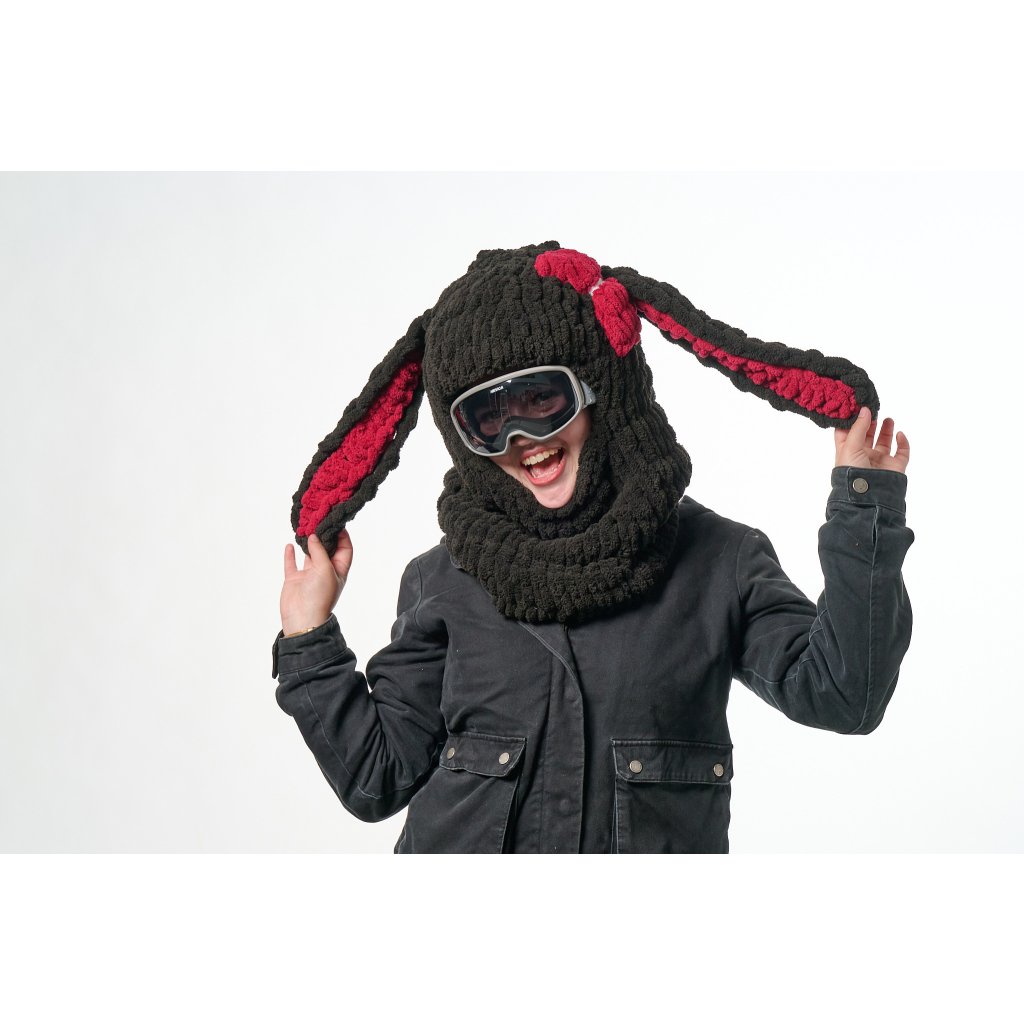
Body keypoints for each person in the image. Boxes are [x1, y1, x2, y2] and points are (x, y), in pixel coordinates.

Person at [272, 242, 914, 854]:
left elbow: (843, 694)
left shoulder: (720, 562)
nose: (520, 438)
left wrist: (865, 506)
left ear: (599, 386)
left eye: (541, 399)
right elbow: (377, 780)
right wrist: (308, 638)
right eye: (488, 418)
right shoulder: (442, 580)